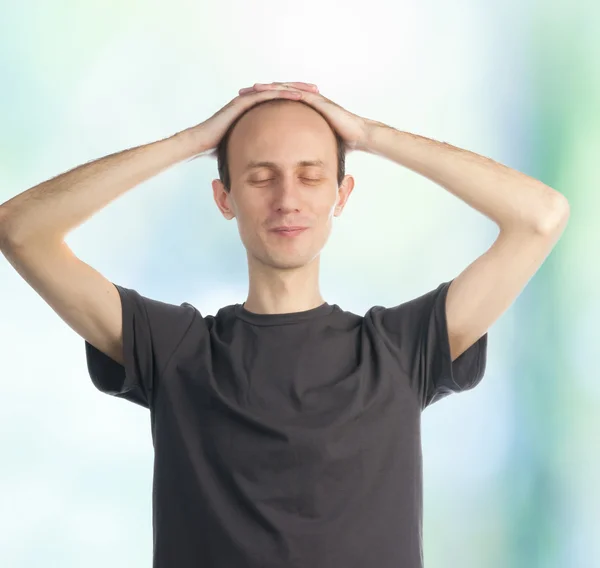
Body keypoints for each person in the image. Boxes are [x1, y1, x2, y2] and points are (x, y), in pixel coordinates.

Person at [0, 81, 570, 568]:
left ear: (342, 194)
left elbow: (540, 218)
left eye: (311, 175)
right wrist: (192, 141)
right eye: (260, 177)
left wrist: (369, 134)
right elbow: (21, 229)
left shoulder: (401, 349)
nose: (287, 200)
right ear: (224, 197)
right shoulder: (172, 351)